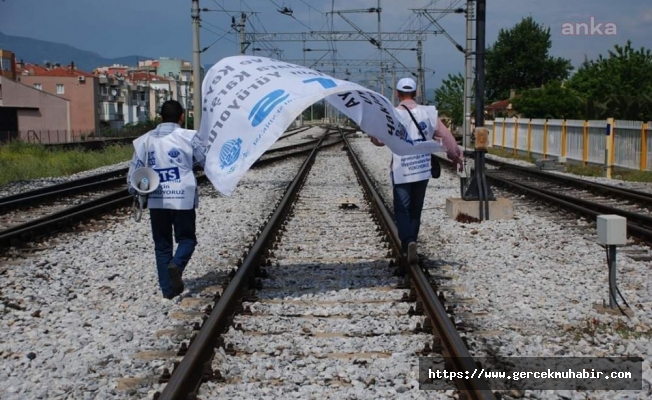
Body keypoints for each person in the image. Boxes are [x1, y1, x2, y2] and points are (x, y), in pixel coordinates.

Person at [370, 77, 463, 265]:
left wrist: (372, 131)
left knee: (402, 207)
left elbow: (378, 141)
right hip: (422, 167)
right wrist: (456, 157)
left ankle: (408, 242)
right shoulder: (428, 114)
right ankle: (412, 240)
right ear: (416, 93)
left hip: (401, 168)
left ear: (397, 94)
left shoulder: (392, 114)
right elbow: (446, 138)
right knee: (416, 207)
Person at [127, 100, 206, 299]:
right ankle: (176, 265)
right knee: (187, 239)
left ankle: (168, 291)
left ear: (160, 117)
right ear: (181, 117)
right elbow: (205, 161)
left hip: (157, 199)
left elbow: (132, 180)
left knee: (162, 246)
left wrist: (139, 193)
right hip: (183, 198)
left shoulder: (144, 141)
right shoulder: (189, 137)